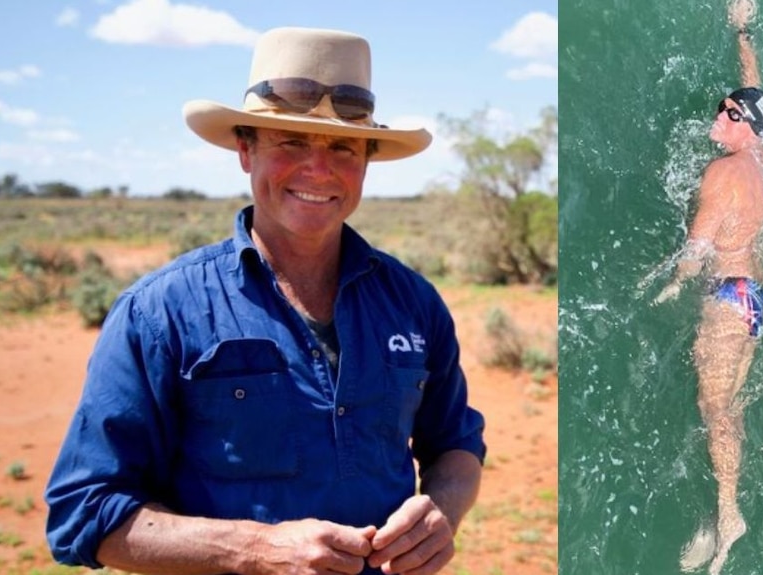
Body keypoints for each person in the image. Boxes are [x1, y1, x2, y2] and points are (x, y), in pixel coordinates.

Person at [45, 26, 486, 575]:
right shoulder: (160, 312)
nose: (318, 169)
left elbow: (457, 443)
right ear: (244, 150)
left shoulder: (413, 302)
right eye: (292, 141)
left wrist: (442, 511)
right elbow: (84, 512)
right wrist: (253, 550)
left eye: (344, 146)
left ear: (368, 161)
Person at [654, 1, 763, 574]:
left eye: (729, 113)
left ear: (744, 128)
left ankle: (729, 515)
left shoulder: (721, 172)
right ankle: (721, 509)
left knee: (715, 410)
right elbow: (754, 89)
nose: (719, 114)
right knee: (731, 407)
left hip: (727, 298)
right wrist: (742, 31)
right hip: (756, 299)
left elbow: (696, 251)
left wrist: (668, 287)